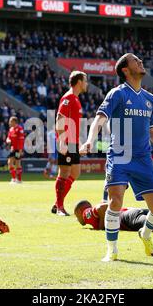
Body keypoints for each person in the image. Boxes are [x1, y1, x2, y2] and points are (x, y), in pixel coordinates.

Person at [80, 53, 153, 261]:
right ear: (125, 70)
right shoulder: (117, 94)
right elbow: (99, 119)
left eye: (140, 59)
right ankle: (111, 249)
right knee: (115, 201)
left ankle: (145, 234)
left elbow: (152, 132)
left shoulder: (149, 99)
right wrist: (90, 140)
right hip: (120, 155)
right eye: (135, 60)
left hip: (142, 159)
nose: (140, 61)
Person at [51, 71, 88, 216]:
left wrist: (79, 142)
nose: (86, 84)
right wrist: (61, 141)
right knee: (65, 172)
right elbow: (59, 118)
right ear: (79, 82)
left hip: (73, 142)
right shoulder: (68, 98)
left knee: (75, 172)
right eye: (85, 81)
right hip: (65, 141)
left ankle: (56, 203)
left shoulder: (76, 99)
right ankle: (60, 207)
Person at [6, 116, 25, 184]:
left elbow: (21, 140)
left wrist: (20, 150)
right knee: (9, 163)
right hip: (12, 149)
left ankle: (19, 180)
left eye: (10, 121)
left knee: (17, 163)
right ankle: (14, 179)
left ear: (14, 122)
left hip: (18, 149)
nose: (9, 123)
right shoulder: (11, 129)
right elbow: (8, 137)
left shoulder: (20, 129)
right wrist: (8, 140)